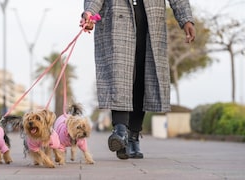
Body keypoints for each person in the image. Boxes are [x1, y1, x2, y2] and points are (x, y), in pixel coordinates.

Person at [80, 0, 196, 160]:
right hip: (116, 22)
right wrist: (89, 13)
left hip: (150, 24)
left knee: (142, 79)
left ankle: (132, 135)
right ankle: (120, 130)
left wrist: (186, 20)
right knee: (119, 77)